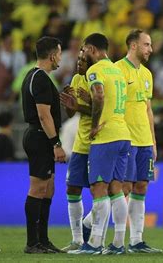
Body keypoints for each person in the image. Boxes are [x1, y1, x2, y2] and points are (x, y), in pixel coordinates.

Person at [70, 33, 131, 255]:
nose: (83, 53)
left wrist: (95, 125)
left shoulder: (94, 70)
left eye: (85, 49)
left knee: (98, 188)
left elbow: (98, 95)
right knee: (116, 189)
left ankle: (94, 243)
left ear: (93, 49)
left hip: (106, 136)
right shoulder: (117, 70)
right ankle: (117, 244)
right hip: (123, 134)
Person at [114, 29, 162, 253]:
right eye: (146, 45)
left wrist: (153, 143)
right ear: (133, 45)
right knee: (123, 188)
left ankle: (136, 241)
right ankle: (114, 238)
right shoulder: (117, 70)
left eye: (150, 45)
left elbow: (148, 110)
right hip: (125, 139)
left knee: (141, 186)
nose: (150, 49)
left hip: (143, 141)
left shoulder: (147, 74)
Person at [21, 36, 65, 254]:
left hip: (40, 138)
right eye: (60, 53)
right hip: (41, 138)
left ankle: (43, 240)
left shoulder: (36, 76)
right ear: (52, 55)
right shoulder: (39, 78)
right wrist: (56, 143)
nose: (61, 58)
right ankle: (32, 242)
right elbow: (43, 115)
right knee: (38, 189)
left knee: (48, 189)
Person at [59, 48, 95, 251]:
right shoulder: (76, 80)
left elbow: (101, 111)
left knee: (102, 192)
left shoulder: (97, 79)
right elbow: (72, 113)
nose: (78, 63)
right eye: (78, 59)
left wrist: (82, 105)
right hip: (80, 144)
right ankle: (77, 239)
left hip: (100, 141)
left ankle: (92, 231)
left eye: (83, 60)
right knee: (72, 187)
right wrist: (69, 103)